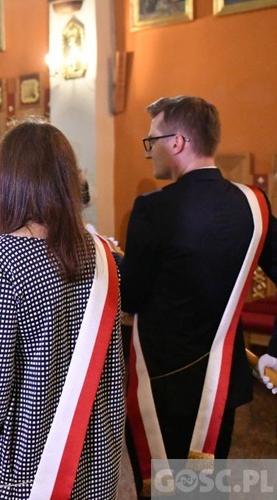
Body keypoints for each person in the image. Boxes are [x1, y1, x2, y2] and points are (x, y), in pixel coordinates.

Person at [0, 119, 124, 498]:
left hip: (27, 472)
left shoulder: (2, 257)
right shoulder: (101, 254)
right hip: (94, 462)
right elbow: (112, 370)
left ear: (9, 182)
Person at [121, 96, 277, 497]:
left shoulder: (152, 210)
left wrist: (108, 259)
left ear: (177, 142)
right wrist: (276, 350)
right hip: (222, 382)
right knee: (206, 488)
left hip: (161, 383)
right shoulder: (254, 205)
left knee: (163, 489)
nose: (149, 149)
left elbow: (132, 297)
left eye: (152, 139)